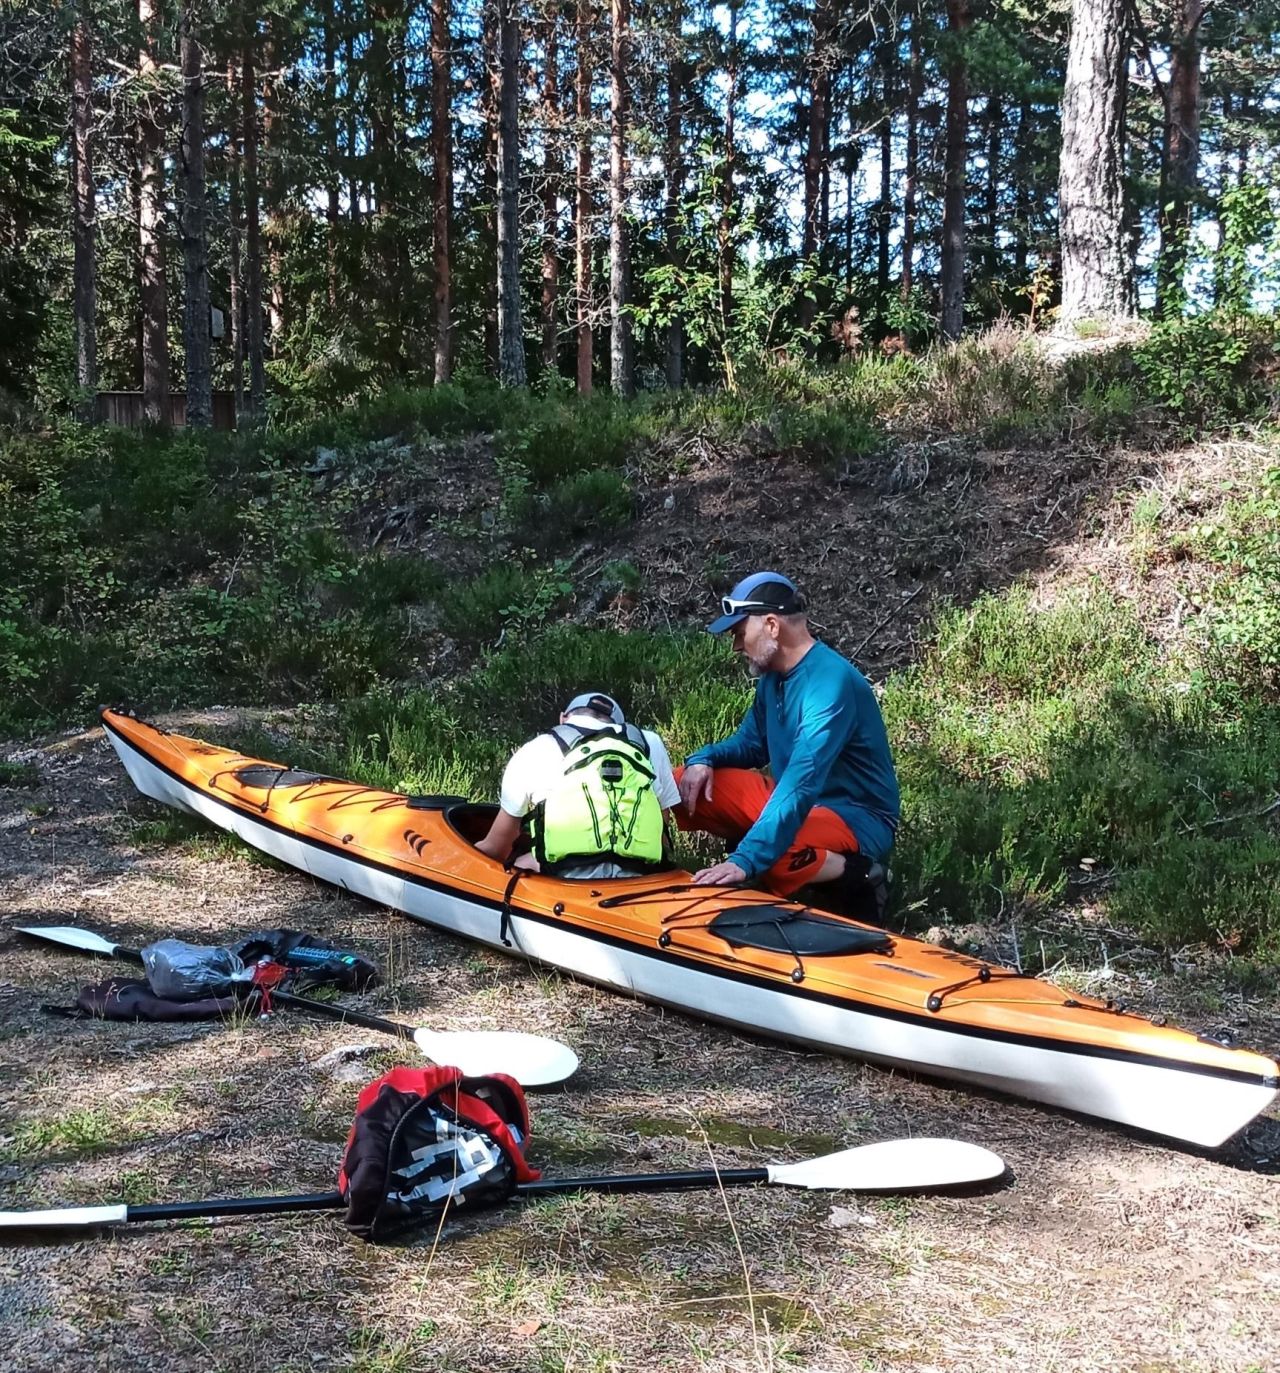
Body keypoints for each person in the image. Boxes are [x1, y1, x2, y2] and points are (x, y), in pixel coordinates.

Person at [676, 571, 900, 906]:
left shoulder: (830, 684)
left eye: (739, 632)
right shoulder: (773, 678)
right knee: (681, 786)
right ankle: (772, 851)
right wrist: (702, 759)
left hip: (854, 816)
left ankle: (861, 875)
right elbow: (751, 745)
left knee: (775, 851)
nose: (736, 645)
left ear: (771, 625)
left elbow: (802, 782)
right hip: (795, 803)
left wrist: (745, 860)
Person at [475, 692, 680, 880]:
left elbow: (496, 847)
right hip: (641, 875)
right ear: (620, 725)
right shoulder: (648, 742)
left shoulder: (536, 748)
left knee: (519, 862)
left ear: (563, 718)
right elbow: (661, 825)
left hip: (568, 878)